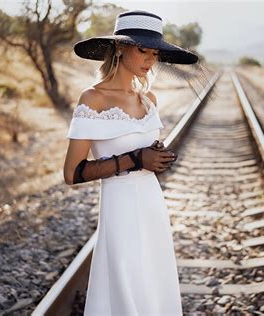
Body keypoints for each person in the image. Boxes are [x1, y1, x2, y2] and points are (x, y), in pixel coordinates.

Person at [63, 9, 199, 316]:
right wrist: (136, 159)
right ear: (120, 47)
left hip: (153, 206)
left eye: (154, 53)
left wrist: (157, 156)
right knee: (126, 290)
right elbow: (72, 173)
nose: (150, 60)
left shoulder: (150, 99)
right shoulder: (92, 99)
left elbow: (144, 153)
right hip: (120, 208)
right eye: (142, 50)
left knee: (153, 286)